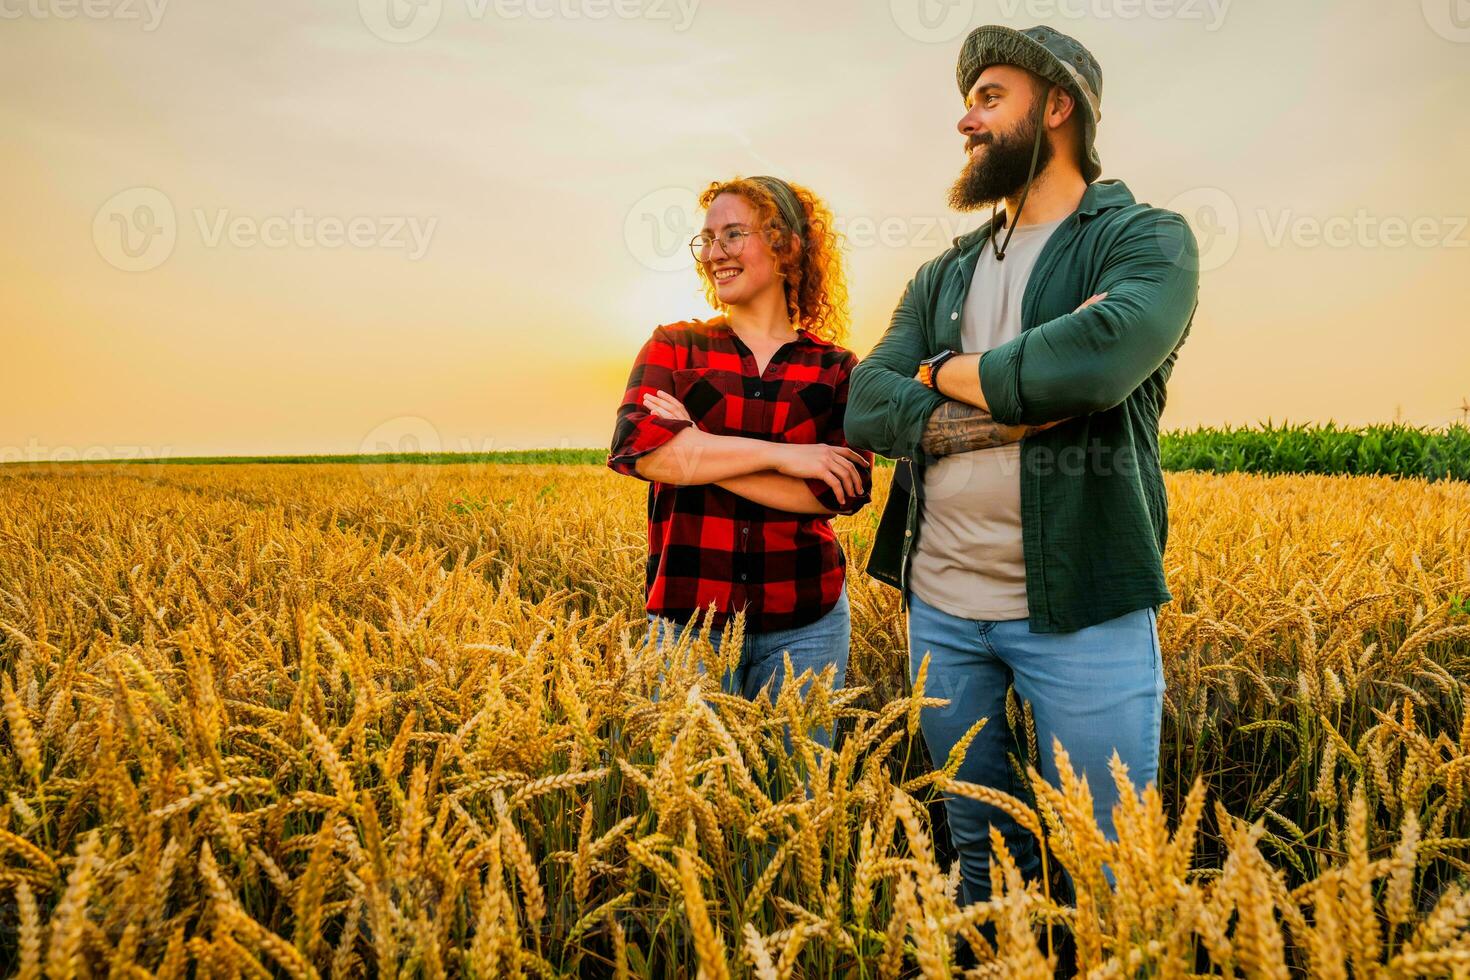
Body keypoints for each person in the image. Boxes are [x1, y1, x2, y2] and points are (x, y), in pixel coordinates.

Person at [843, 23, 1200, 925]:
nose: (966, 120)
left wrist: (943, 370)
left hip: (1084, 607)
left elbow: (1089, 368)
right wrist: (1004, 393)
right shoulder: (944, 273)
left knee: (1114, 870)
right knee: (980, 855)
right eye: (967, 101)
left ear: (1059, 104)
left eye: (989, 97)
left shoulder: (1145, 239)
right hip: (941, 608)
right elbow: (866, 401)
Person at [607, 175, 873, 752]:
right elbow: (643, 451)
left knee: (799, 803)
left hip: (807, 620)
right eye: (706, 240)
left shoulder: (835, 367)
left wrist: (700, 446)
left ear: (786, 246)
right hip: (687, 624)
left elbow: (840, 491)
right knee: (683, 807)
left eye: (733, 234)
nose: (714, 253)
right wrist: (788, 457)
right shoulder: (674, 346)